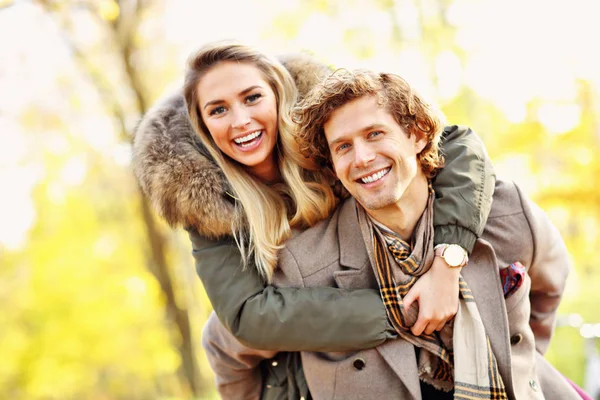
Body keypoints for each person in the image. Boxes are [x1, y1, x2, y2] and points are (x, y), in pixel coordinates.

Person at [132, 42, 494, 398]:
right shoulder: (206, 206)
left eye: (252, 97)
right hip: (308, 376)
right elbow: (247, 316)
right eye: (218, 110)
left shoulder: (333, 139)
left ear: (278, 94)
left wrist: (448, 261)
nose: (241, 121)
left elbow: (457, 146)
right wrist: (402, 311)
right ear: (203, 125)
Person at [201, 68, 581, 399]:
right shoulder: (306, 264)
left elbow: (550, 283)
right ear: (332, 166)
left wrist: (523, 360)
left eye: (375, 133)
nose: (362, 158)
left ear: (417, 135)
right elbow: (224, 346)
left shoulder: (505, 211)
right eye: (343, 147)